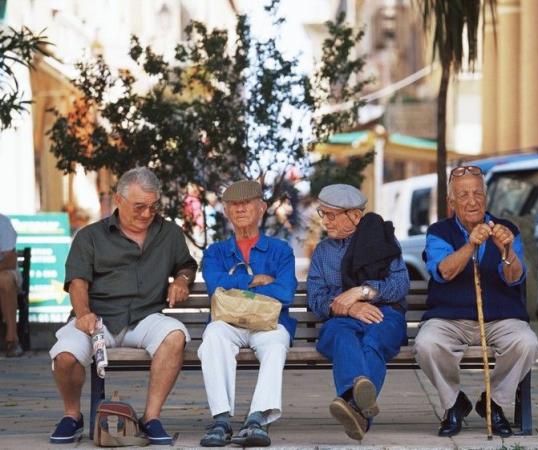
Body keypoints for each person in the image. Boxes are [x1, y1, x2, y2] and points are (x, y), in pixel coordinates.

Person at [48, 167, 197, 445]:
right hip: (96, 319)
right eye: (139, 207)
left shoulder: (169, 234)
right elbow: (78, 281)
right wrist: (83, 315)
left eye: (153, 207)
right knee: (65, 357)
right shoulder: (90, 236)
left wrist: (182, 280)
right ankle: (72, 415)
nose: (146, 214)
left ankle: (150, 418)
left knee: (175, 336)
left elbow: (186, 265)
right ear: (119, 200)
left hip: (145, 318)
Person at [413, 166, 538, 438]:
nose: (472, 201)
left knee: (527, 343)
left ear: (486, 197)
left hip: (501, 318)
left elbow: (515, 277)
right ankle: (453, 403)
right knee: (427, 344)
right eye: (463, 195)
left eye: (477, 193)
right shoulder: (438, 232)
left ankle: (493, 403)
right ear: (451, 202)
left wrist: (506, 251)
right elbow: (444, 271)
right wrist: (470, 245)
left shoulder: (508, 230)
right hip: (450, 318)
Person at [198, 180, 297, 447]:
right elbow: (213, 286)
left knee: (276, 344)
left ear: (261, 207)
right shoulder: (215, 252)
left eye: (246, 203)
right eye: (234, 205)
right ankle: (220, 420)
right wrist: (255, 281)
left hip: (269, 322)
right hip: (227, 321)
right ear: (227, 211)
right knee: (213, 337)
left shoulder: (281, 251)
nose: (240, 209)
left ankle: (255, 419)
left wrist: (234, 285)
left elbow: (286, 292)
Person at [307, 184, 409, 441]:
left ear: (354, 215)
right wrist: (350, 308)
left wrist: (363, 292)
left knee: (373, 342)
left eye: (332, 215)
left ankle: (352, 404)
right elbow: (316, 299)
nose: (326, 222)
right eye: (323, 214)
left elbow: (400, 285)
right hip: (341, 319)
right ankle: (359, 408)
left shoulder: (382, 240)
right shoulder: (322, 252)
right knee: (342, 337)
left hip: (384, 314)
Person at [0, 213, 22, 357]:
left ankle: (12, 339)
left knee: (5, 279)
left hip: (4, 270)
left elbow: (10, 260)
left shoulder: (2, 222)